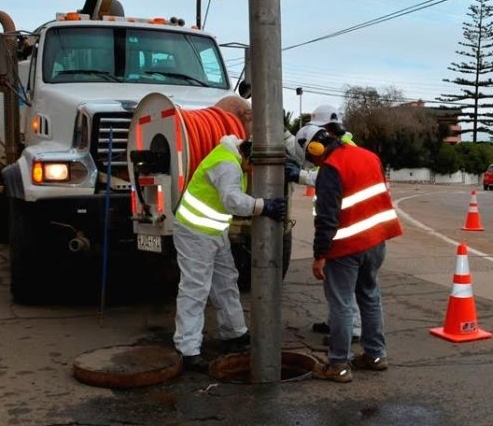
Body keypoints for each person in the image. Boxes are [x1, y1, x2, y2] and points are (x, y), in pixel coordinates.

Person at [173, 99, 287, 373]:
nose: (252, 173)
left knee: (226, 281)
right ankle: (187, 349)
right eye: (253, 167)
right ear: (248, 156)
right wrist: (264, 207)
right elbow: (233, 201)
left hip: (214, 230)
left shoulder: (234, 157)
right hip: (194, 231)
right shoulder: (228, 165)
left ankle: (234, 333)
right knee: (195, 288)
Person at [294, 123, 403, 383]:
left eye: (311, 157)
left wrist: (320, 255)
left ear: (317, 148)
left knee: (341, 305)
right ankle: (376, 355)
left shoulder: (330, 169)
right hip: (376, 242)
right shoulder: (368, 155)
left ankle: (339, 365)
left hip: (346, 248)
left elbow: (327, 218)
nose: (314, 163)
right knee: (369, 296)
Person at [287, 105, 362, 343]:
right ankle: (337, 323)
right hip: (341, 222)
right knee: (337, 283)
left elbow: (328, 177)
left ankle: (352, 330)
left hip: (345, 223)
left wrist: (298, 175)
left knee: (346, 285)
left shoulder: (344, 149)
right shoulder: (338, 144)